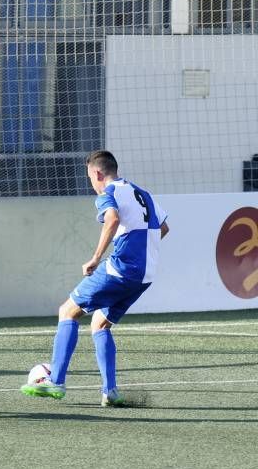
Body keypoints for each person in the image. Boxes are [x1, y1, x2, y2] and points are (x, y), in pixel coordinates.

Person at [21, 150, 169, 406]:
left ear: (97, 173)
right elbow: (163, 228)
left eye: (89, 176)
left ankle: (55, 379)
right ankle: (109, 392)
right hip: (145, 275)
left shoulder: (108, 193)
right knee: (100, 324)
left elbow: (111, 219)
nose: (91, 182)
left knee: (67, 311)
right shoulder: (142, 193)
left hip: (120, 270)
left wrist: (96, 257)